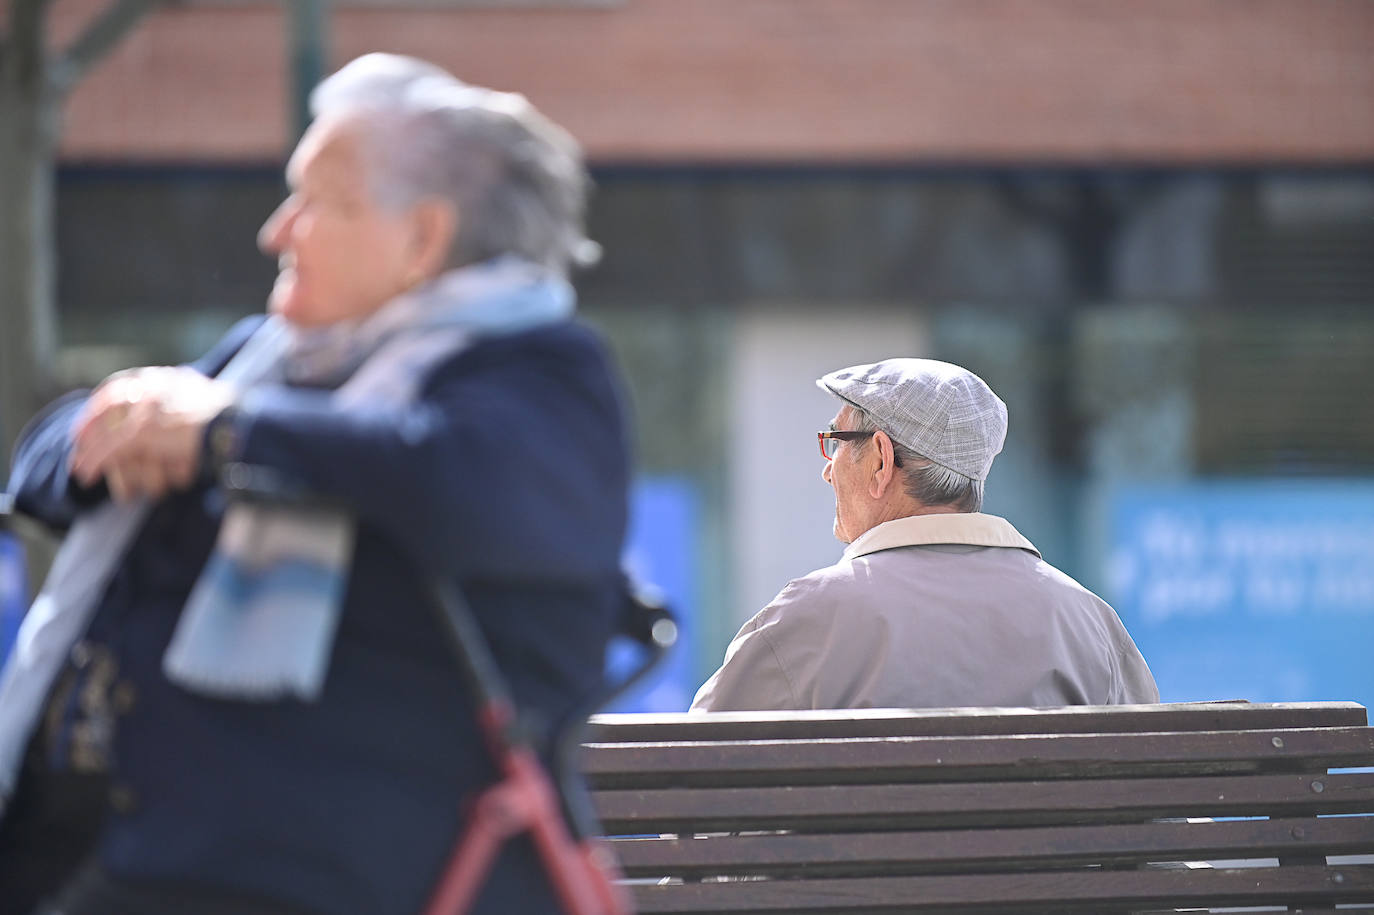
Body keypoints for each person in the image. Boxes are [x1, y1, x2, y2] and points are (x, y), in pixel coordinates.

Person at [0, 54, 630, 914]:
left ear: (423, 239)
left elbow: (454, 477)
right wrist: (121, 422)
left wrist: (222, 435)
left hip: (305, 873)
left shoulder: (543, 372)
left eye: (316, 201)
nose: (277, 230)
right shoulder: (264, 359)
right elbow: (43, 465)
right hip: (108, 848)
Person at [691, 358, 1157, 712]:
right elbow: (1153, 798)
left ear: (880, 460)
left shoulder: (809, 620)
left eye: (834, 442)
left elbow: (695, 787)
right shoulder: (1086, 621)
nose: (827, 471)